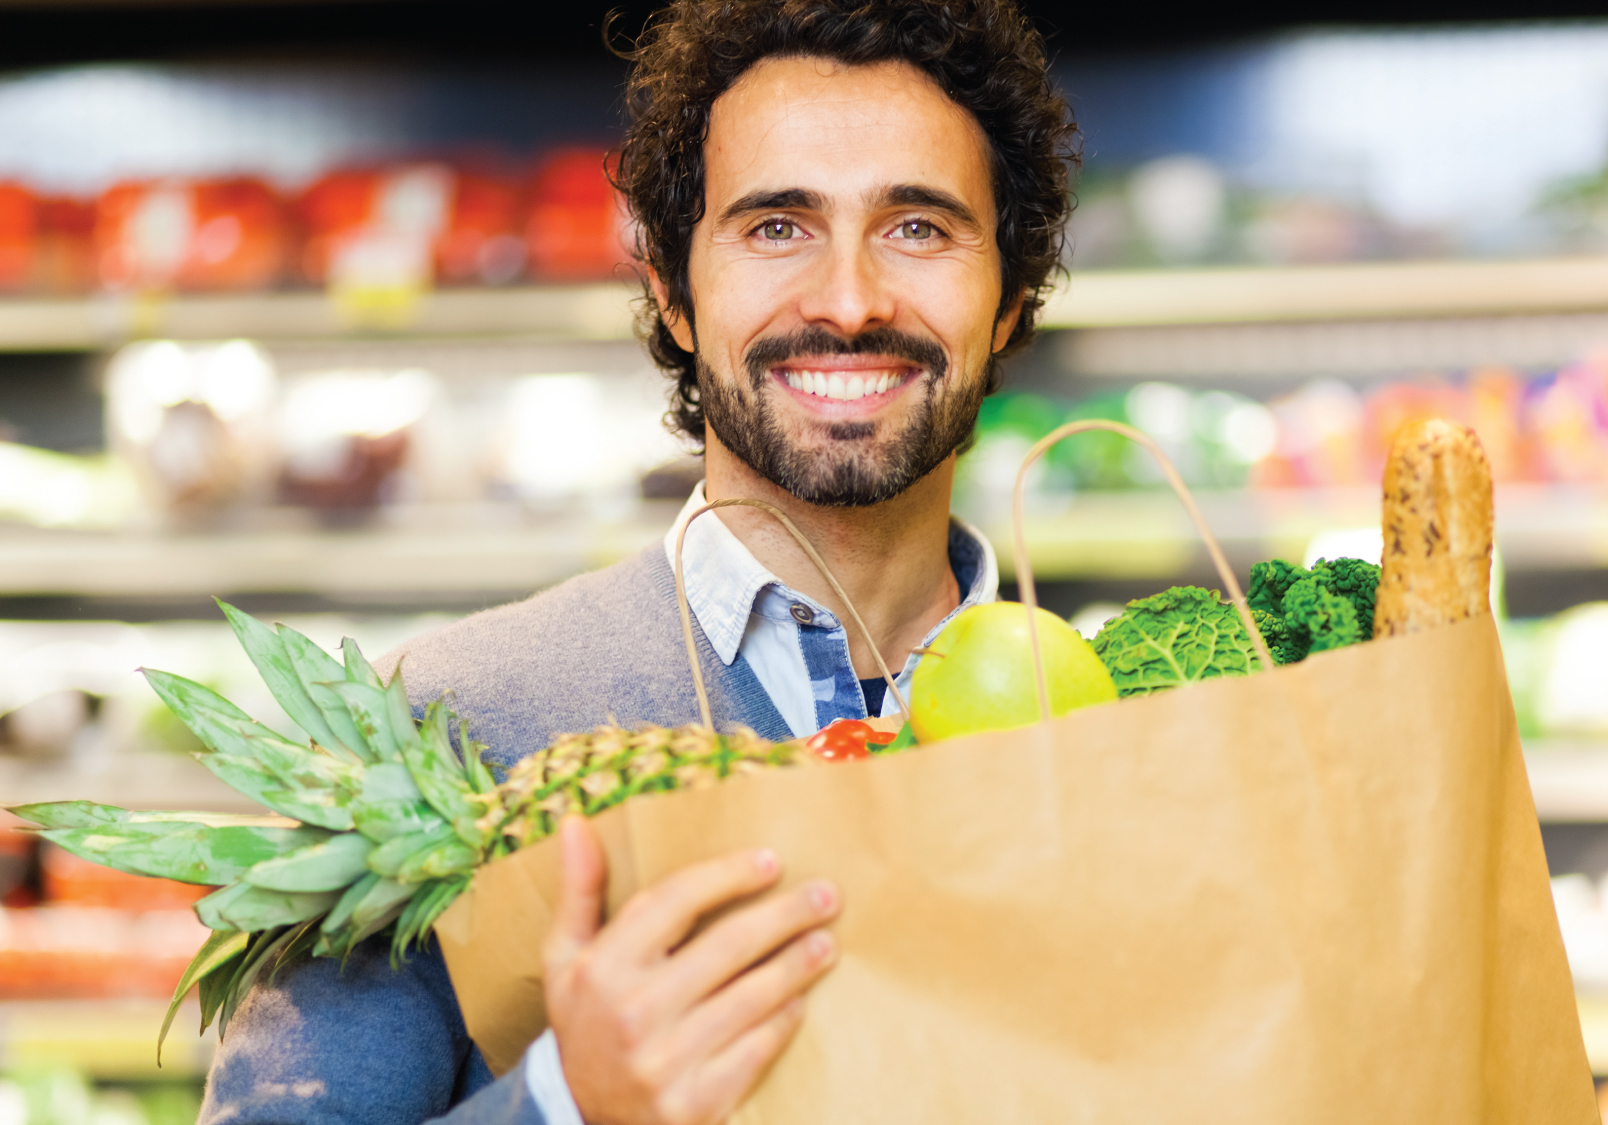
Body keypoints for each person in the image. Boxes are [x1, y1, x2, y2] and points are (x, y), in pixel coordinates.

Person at [198, 1, 1076, 1121]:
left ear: (1009, 298)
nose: (851, 300)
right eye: (775, 228)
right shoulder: (452, 726)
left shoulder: (1131, 726)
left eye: (919, 227)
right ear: (672, 287)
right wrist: (568, 1100)